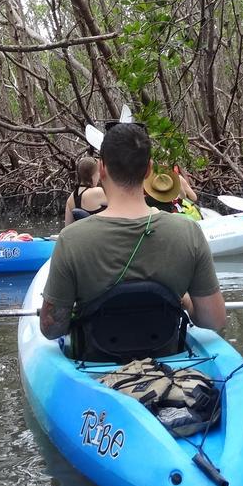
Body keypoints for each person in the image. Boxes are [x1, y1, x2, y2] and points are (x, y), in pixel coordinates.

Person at [40, 122, 226, 357]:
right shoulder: (189, 231)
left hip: (96, 364)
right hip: (168, 364)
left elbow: (51, 328)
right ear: (149, 170)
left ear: (102, 168)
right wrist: (186, 300)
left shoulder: (71, 239)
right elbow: (215, 320)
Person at [64, 155, 107, 226]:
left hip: (82, 235)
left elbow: (67, 228)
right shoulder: (98, 192)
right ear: (93, 175)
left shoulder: (71, 198)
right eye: (98, 172)